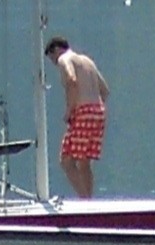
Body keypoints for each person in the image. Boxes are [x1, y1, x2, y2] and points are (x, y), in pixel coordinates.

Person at [47, 37, 109, 199]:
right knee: (84, 162)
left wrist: (69, 110)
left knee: (66, 161)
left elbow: (71, 80)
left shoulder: (64, 58)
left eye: (52, 58)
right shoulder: (87, 61)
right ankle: (89, 200)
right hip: (99, 111)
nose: (54, 63)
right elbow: (105, 90)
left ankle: (84, 200)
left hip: (82, 111)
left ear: (56, 50)